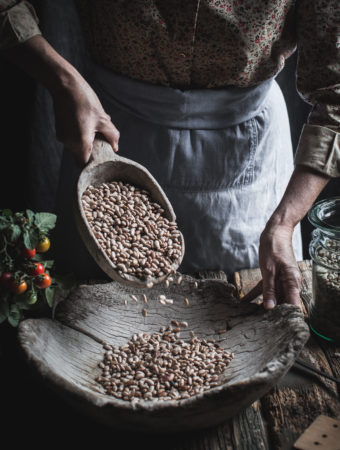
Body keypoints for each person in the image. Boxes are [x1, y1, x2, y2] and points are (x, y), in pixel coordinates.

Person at [0, 1, 338, 310]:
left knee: (237, 320)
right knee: (96, 324)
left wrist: (283, 225)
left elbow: (335, 96)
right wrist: (63, 81)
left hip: (248, 157)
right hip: (107, 126)